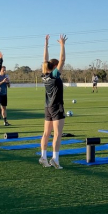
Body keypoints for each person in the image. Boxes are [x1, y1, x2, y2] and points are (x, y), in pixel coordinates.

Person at [39, 34, 68, 169]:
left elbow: (45, 59)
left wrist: (46, 44)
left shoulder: (45, 75)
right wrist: (62, 44)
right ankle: (55, 159)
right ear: (55, 66)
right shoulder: (54, 75)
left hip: (47, 106)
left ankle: (43, 157)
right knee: (57, 134)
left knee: (46, 133)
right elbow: (62, 59)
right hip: (56, 106)